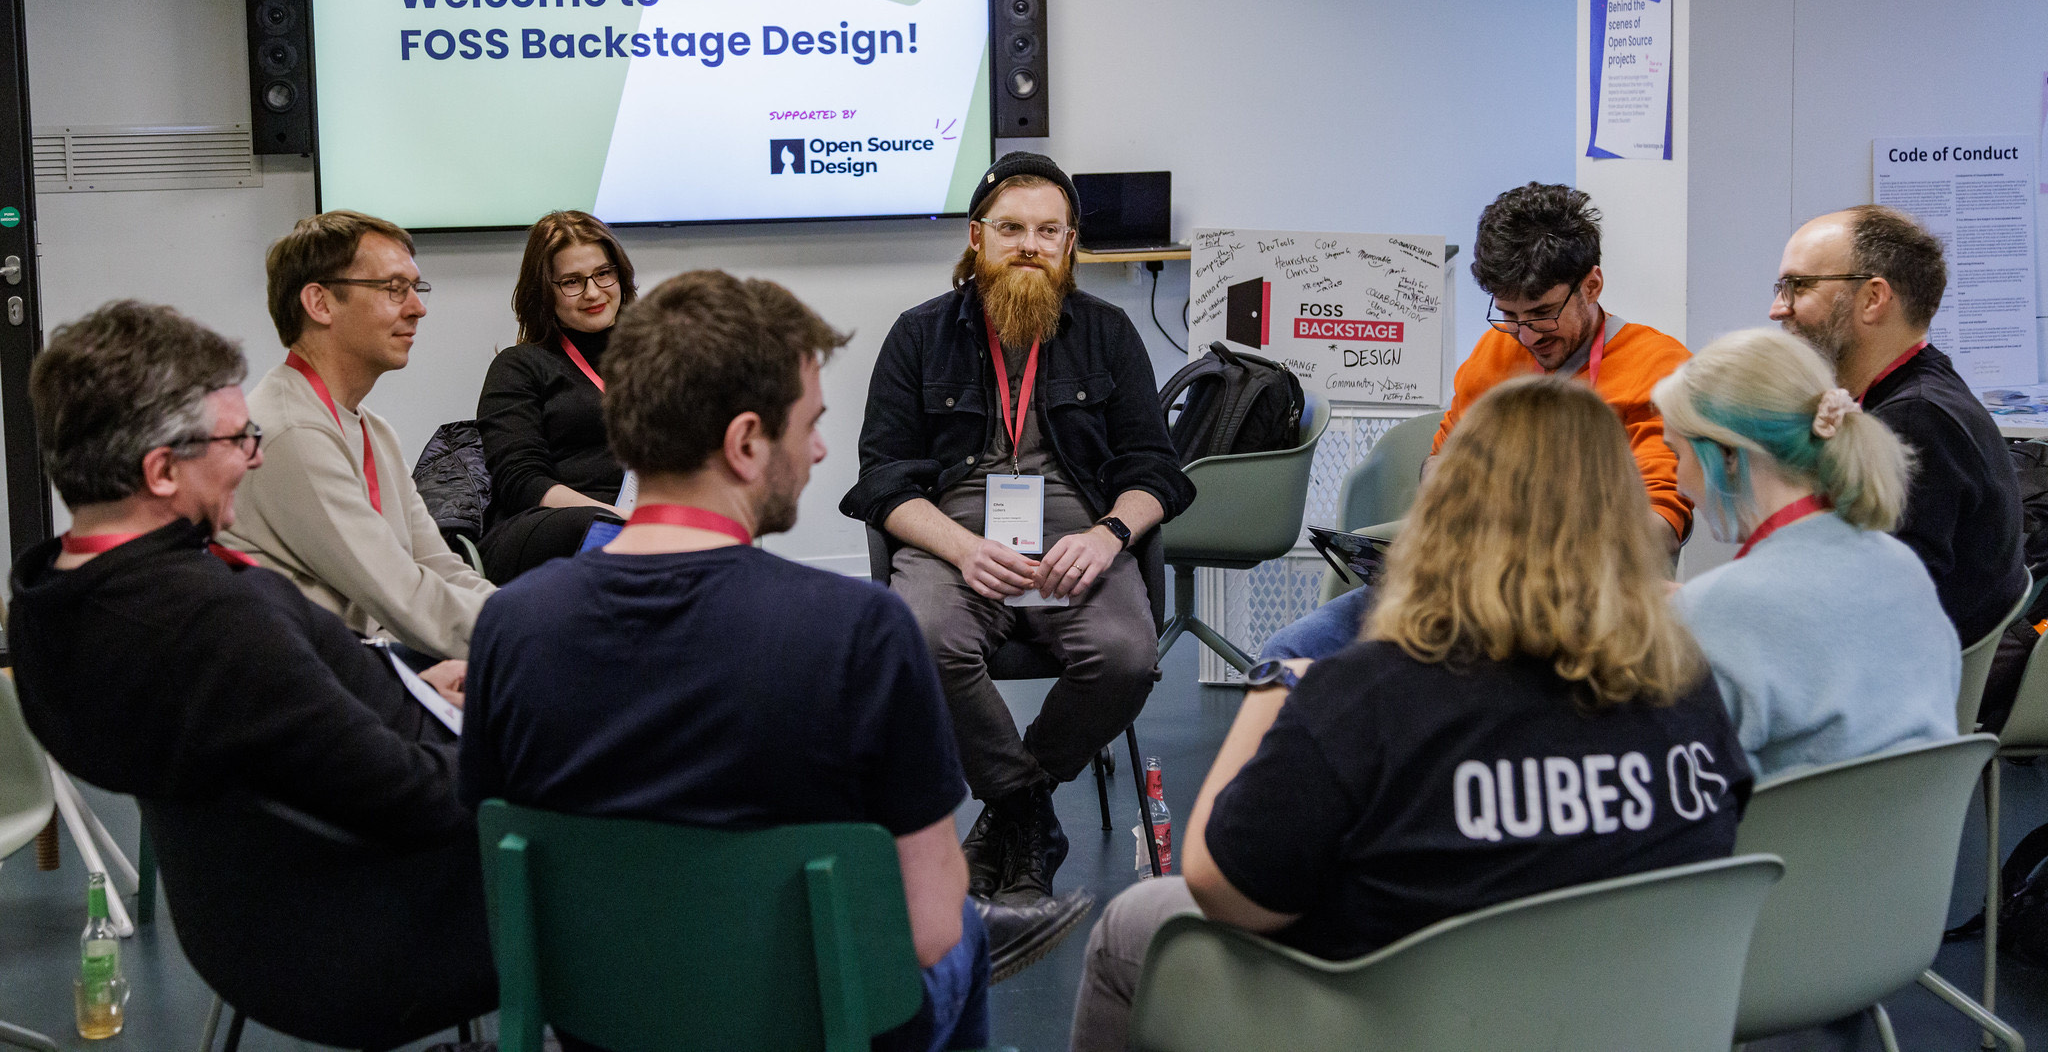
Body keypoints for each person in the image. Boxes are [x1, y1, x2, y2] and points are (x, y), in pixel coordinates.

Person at [1067, 375, 1749, 1052]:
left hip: (1402, 1023)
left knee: (1135, 924)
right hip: (1624, 1019)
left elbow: (1223, 890)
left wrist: (1275, 688)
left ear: (1449, 508)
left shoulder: (1363, 695)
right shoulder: (1684, 686)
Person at [460, 271, 991, 1051]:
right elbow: (929, 926)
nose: (816, 451)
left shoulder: (510, 626)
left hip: (605, 1027)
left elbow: (499, 898)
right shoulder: (862, 632)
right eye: (808, 425)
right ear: (746, 442)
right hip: (818, 1029)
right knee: (970, 934)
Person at [6, 301, 495, 1037]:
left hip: (243, 927)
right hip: (376, 931)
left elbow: (279, 728)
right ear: (162, 470)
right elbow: (418, 798)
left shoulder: (54, 604)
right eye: (238, 439)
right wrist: (528, 743)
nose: (256, 456)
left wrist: (399, 685)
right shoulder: (214, 625)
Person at [841, 152, 1193, 913]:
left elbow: (1156, 472)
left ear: (1070, 244)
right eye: (1011, 229)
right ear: (977, 237)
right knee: (923, 637)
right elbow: (881, 481)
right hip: (954, 536)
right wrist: (962, 548)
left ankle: (1008, 810)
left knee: (1128, 655)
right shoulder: (918, 335)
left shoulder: (1109, 333)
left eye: (1048, 231)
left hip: (1078, 534)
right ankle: (1028, 811)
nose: (1030, 244)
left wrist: (1107, 535)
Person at [1261, 182, 1692, 660]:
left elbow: (1659, 528)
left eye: (1543, 314)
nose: (1526, 336)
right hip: (1466, 591)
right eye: (1509, 314)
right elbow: (1438, 466)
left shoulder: (1658, 368)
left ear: (1592, 285)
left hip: (1586, 601)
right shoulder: (1493, 353)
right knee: (1289, 651)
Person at [1653, 328, 1959, 778]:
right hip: (1914, 846)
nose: (1678, 483)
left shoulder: (1720, 608)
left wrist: (1688, 613)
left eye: (1677, 454)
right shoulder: (1902, 567)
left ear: (1728, 454)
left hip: (1775, 846)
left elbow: (1675, 788)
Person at [223, 210, 495, 659]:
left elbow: (437, 566)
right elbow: (401, 595)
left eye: (416, 287)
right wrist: (528, 637)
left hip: (358, 662)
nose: (417, 307)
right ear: (320, 303)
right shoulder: (291, 431)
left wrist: (520, 616)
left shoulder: (375, 430)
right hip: (316, 683)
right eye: (394, 289)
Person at [1772, 204, 2025, 646]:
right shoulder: (1920, 392)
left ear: (1873, 298)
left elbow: (1878, 608)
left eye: (1798, 286)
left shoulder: (1915, 421)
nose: (1778, 309)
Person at [476, 209, 639, 582]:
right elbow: (522, 482)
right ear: (544, 292)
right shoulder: (520, 366)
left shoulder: (657, 357)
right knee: (595, 527)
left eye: (603, 273)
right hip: (552, 522)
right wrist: (618, 519)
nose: (593, 292)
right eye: (572, 281)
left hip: (645, 516)